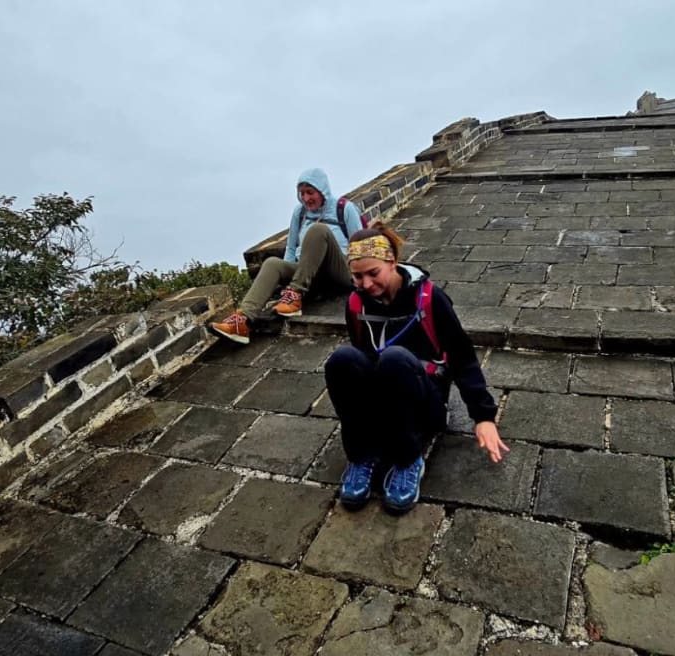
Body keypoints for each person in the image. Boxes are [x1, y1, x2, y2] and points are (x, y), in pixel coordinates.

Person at [323, 223, 509, 514]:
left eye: (374, 273)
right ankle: (361, 455)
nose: (367, 284)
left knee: (396, 358)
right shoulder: (357, 304)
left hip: (424, 404)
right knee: (342, 360)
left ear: (392, 263)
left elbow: (462, 357)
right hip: (383, 401)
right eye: (358, 276)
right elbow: (359, 357)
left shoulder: (431, 298)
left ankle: (408, 459)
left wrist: (483, 416)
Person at [209, 168, 362, 344]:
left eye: (310, 192)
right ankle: (242, 321)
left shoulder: (344, 209)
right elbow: (290, 248)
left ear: (322, 191)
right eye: (302, 193)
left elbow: (360, 245)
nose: (306, 198)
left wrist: (361, 278)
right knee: (273, 263)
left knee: (318, 230)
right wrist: (289, 274)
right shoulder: (300, 213)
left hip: (338, 271)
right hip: (309, 273)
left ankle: (295, 294)